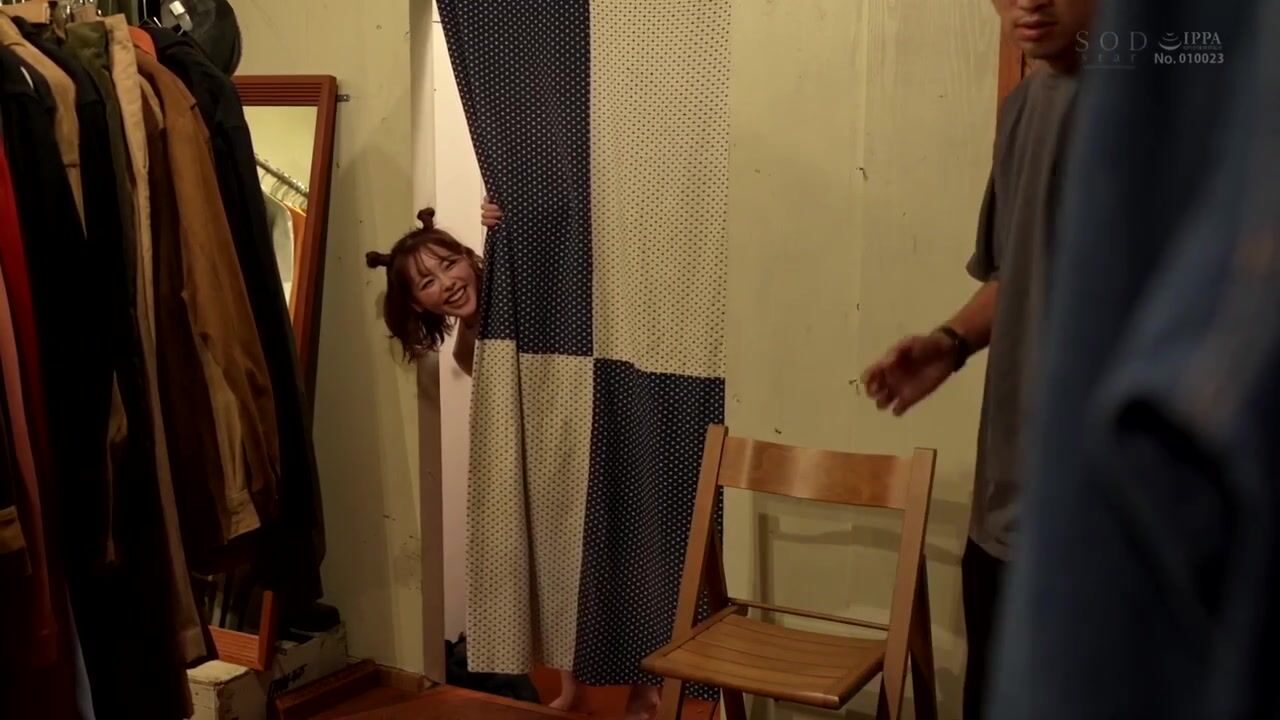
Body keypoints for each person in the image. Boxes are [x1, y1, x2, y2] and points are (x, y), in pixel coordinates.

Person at [858, 0, 1095, 717]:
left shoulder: (1179, 109)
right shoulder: (1024, 107)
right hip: (1007, 512)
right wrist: (951, 341)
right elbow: (1016, 272)